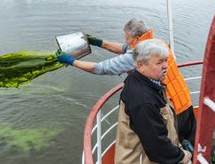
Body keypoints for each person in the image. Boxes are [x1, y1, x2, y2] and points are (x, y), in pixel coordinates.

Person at [56, 19, 196, 145]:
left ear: (136, 38)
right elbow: (125, 49)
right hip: (184, 100)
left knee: (174, 144)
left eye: (127, 38)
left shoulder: (139, 55)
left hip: (172, 109)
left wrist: (71, 61)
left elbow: (100, 68)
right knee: (191, 141)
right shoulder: (157, 42)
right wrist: (99, 43)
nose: (126, 41)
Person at [115, 39, 192, 164]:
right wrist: (181, 156)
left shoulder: (143, 81)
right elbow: (157, 146)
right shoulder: (143, 101)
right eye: (159, 62)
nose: (166, 66)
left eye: (166, 60)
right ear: (141, 65)